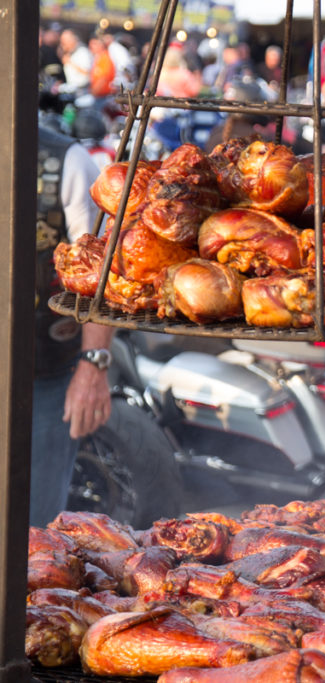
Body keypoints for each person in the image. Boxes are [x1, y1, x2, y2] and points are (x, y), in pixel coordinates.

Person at [33, 125, 114, 527]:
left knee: (37, 524)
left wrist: (94, 363)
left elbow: (100, 272)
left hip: (45, 374)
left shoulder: (66, 161)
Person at [59, 29, 93, 94]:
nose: (63, 43)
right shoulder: (68, 53)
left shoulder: (83, 52)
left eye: (65, 40)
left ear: (73, 39)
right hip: (71, 88)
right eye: (62, 41)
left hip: (82, 90)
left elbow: (87, 72)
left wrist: (70, 63)